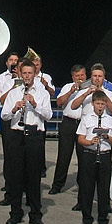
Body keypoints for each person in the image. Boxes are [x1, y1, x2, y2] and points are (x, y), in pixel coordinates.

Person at [1, 58, 52, 224]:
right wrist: (15, 108)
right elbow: (5, 115)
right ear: (21, 74)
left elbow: (48, 115)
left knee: (33, 176)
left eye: (30, 73)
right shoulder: (14, 92)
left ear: (34, 74)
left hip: (34, 135)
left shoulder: (42, 92)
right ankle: (15, 212)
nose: (27, 76)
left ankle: (35, 214)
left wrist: (35, 104)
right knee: (16, 176)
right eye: (25, 73)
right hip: (17, 134)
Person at [76, 90, 112, 224]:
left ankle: (103, 220)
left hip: (104, 155)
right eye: (97, 104)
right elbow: (80, 139)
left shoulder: (109, 120)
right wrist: (90, 142)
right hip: (90, 154)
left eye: (102, 104)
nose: (100, 107)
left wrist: (106, 137)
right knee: (87, 189)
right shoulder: (87, 118)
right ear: (93, 104)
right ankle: (86, 219)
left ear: (105, 104)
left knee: (103, 189)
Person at [49, 64, 87, 195]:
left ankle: (83, 186)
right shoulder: (67, 87)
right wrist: (71, 91)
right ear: (73, 77)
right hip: (68, 123)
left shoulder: (90, 88)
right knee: (64, 155)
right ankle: (57, 184)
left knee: (83, 156)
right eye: (77, 76)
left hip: (83, 124)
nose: (80, 78)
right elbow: (59, 103)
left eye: (82, 75)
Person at [0, 51, 20, 207]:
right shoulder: (3, 79)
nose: (14, 64)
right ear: (7, 62)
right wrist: (14, 87)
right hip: (7, 116)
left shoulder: (30, 80)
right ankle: (9, 186)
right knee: (9, 153)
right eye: (11, 60)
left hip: (24, 119)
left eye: (17, 61)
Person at [32, 53, 55, 177]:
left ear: (41, 65)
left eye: (38, 64)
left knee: (41, 141)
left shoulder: (46, 76)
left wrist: (46, 84)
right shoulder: (27, 75)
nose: (36, 66)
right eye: (34, 64)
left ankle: (41, 167)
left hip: (41, 110)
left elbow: (52, 93)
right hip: (31, 110)